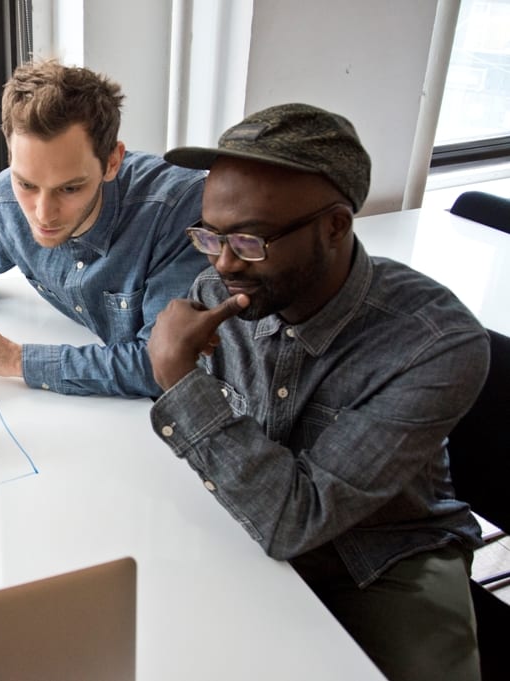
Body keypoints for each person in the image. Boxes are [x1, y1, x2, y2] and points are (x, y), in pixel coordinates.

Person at [148, 103, 487, 681]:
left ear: (335, 225)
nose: (224, 262)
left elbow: (296, 521)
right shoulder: (222, 286)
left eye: (251, 240)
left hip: (385, 553)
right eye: (210, 235)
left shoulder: (436, 343)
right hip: (248, 520)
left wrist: (181, 379)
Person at [0, 60, 208, 398]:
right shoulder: (3, 199)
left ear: (112, 162)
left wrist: (13, 359)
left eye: (70, 188)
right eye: (27, 183)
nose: (43, 214)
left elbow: (161, 365)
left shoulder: (180, 212)